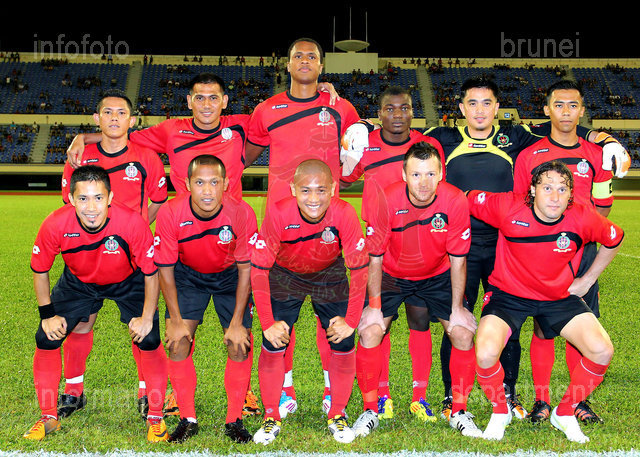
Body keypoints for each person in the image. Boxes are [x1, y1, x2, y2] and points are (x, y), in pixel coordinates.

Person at [421, 76, 628, 421]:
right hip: (464, 246)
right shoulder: (444, 137)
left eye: (487, 103)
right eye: (472, 103)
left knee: (517, 323)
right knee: (458, 321)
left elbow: (564, 130)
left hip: (516, 247)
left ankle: (515, 393)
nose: (480, 110)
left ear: (497, 108)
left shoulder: (516, 137)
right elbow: (399, 134)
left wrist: (603, 138)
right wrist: (364, 126)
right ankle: (452, 395)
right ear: (460, 108)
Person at [244, 37, 364, 417]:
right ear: (288, 64)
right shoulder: (267, 109)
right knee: (283, 320)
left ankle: (332, 389)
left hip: (328, 229)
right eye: (298, 55)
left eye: (313, 56)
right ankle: (284, 389)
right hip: (282, 232)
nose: (305, 60)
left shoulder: (341, 107)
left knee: (330, 318)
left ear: (322, 66)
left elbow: (356, 158)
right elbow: (241, 155)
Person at [468, 160, 623, 442]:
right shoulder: (508, 206)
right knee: (486, 353)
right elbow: (463, 198)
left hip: (557, 296)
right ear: (532, 190)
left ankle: (564, 412)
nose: (555, 196)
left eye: (562, 189)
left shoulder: (581, 216)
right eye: (547, 187)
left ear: (571, 194)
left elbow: (615, 238)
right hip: (509, 295)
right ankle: (500, 411)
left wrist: (588, 280)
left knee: (601, 351)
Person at [25, 165, 169, 442]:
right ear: (71, 198)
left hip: (129, 279)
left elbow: (152, 273)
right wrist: (47, 315)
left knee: (148, 338)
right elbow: (40, 269)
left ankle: (154, 413)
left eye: (98, 198)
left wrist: (147, 317)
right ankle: (52, 413)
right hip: (78, 281)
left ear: (110, 197)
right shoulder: (55, 224)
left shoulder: (132, 223)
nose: (91, 207)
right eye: (83, 198)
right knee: (47, 337)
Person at [352, 142, 479, 438]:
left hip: (436, 274)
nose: (424, 182)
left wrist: (458, 309)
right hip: (392, 274)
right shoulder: (386, 199)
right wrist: (374, 307)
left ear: (441, 174)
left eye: (431, 174)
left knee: (462, 332)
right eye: (417, 174)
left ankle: (459, 411)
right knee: (370, 330)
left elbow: (458, 260)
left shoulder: (455, 200)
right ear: (404, 175)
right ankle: (370, 409)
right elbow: (374, 258)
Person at [57, 90, 168, 419]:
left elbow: (158, 201)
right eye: (108, 112)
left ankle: (146, 393)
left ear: (132, 121)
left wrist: (133, 232)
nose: (114, 118)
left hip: (132, 264)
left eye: (121, 113)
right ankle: (73, 391)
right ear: (97, 118)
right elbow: (71, 205)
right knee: (80, 324)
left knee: (142, 328)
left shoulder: (147, 158)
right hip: (86, 260)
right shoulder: (81, 156)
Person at [512, 79, 615, 424]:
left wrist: (582, 233)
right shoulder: (530, 155)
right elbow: (521, 206)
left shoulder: (597, 155)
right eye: (558, 105)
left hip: (582, 253)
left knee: (581, 324)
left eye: (573, 105)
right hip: (542, 255)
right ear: (547, 110)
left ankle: (576, 402)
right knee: (544, 327)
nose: (566, 112)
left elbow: (603, 206)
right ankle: (541, 400)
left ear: (582, 111)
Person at [340, 86, 445, 420]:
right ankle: (382, 394)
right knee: (377, 322)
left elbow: (439, 190)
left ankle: (420, 396)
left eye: (404, 108)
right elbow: (343, 179)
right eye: (390, 108)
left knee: (420, 319)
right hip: (379, 249)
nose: (397, 115)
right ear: (379, 113)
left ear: (413, 112)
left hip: (420, 244)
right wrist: (347, 149)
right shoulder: (366, 143)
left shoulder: (427, 146)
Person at [249, 159, 368, 445]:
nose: (313, 198)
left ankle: (337, 413)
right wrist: (267, 323)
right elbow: (259, 269)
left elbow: (360, 268)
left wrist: (351, 321)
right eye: (305, 190)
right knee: (274, 339)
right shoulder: (278, 212)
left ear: (333, 189)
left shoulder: (344, 213)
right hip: (285, 274)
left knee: (342, 339)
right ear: (293, 189)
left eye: (321, 190)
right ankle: (271, 415)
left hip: (328, 273)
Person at [154, 155, 258, 443]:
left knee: (239, 344)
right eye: (200, 182)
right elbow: (165, 269)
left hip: (230, 277)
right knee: (177, 342)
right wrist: (176, 320)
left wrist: (237, 323)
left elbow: (246, 269)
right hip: (188, 275)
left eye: (214, 182)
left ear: (226, 184)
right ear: (188, 184)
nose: (208, 190)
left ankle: (234, 420)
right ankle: (188, 419)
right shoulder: (171, 212)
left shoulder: (242, 213)